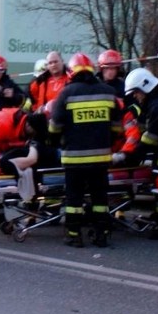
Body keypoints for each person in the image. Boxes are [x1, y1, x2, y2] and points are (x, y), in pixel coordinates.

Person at [49, 52, 120, 248]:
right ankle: (102, 235)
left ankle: (74, 235)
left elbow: (54, 127)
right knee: (100, 198)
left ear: (71, 72)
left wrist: (59, 141)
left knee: (74, 199)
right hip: (101, 158)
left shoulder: (66, 93)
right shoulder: (107, 92)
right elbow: (117, 127)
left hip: (73, 159)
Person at [115, 67, 158, 239]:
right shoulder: (156, 100)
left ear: (145, 86)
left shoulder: (157, 105)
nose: (136, 97)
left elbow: (150, 140)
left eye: (137, 93)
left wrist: (128, 158)